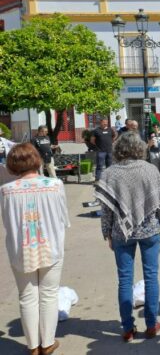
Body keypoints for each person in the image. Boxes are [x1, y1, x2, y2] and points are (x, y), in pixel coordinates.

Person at [95, 132, 160, 342]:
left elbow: (107, 210)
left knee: (125, 280)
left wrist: (107, 233)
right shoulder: (150, 170)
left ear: (118, 149)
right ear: (140, 148)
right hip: (149, 231)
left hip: (122, 232)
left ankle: (127, 328)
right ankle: (151, 324)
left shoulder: (110, 173)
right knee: (151, 277)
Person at [1, 143, 68, 355]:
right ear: (36, 160)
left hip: (21, 249)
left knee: (27, 296)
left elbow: (7, 222)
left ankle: (32, 346)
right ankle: (47, 342)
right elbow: (63, 218)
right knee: (49, 294)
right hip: (51, 245)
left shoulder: (6, 191)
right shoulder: (55, 184)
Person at [91, 118, 117, 182]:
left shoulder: (110, 129)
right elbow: (92, 140)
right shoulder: (96, 130)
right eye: (104, 122)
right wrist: (97, 146)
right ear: (100, 123)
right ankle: (97, 180)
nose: (105, 123)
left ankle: (109, 180)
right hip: (100, 151)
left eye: (106, 122)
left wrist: (112, 141)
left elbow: (115, 136)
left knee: (110, 166)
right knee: (99, 165)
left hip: (109, 151)